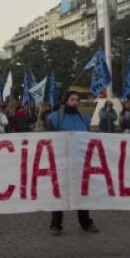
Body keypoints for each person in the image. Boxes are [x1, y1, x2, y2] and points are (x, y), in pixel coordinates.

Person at [47, 91, 100, 235]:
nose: (75, 102)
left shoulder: (84, 118)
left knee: (82, 192)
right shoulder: (54, 118)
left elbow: (89, 138)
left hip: (80, 161)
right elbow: (50, 140)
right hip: (61, 161)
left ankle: (86, 222)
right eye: (72, 99)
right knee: (59, 193)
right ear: (66, 101)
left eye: (77, 100)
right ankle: (56, 224)